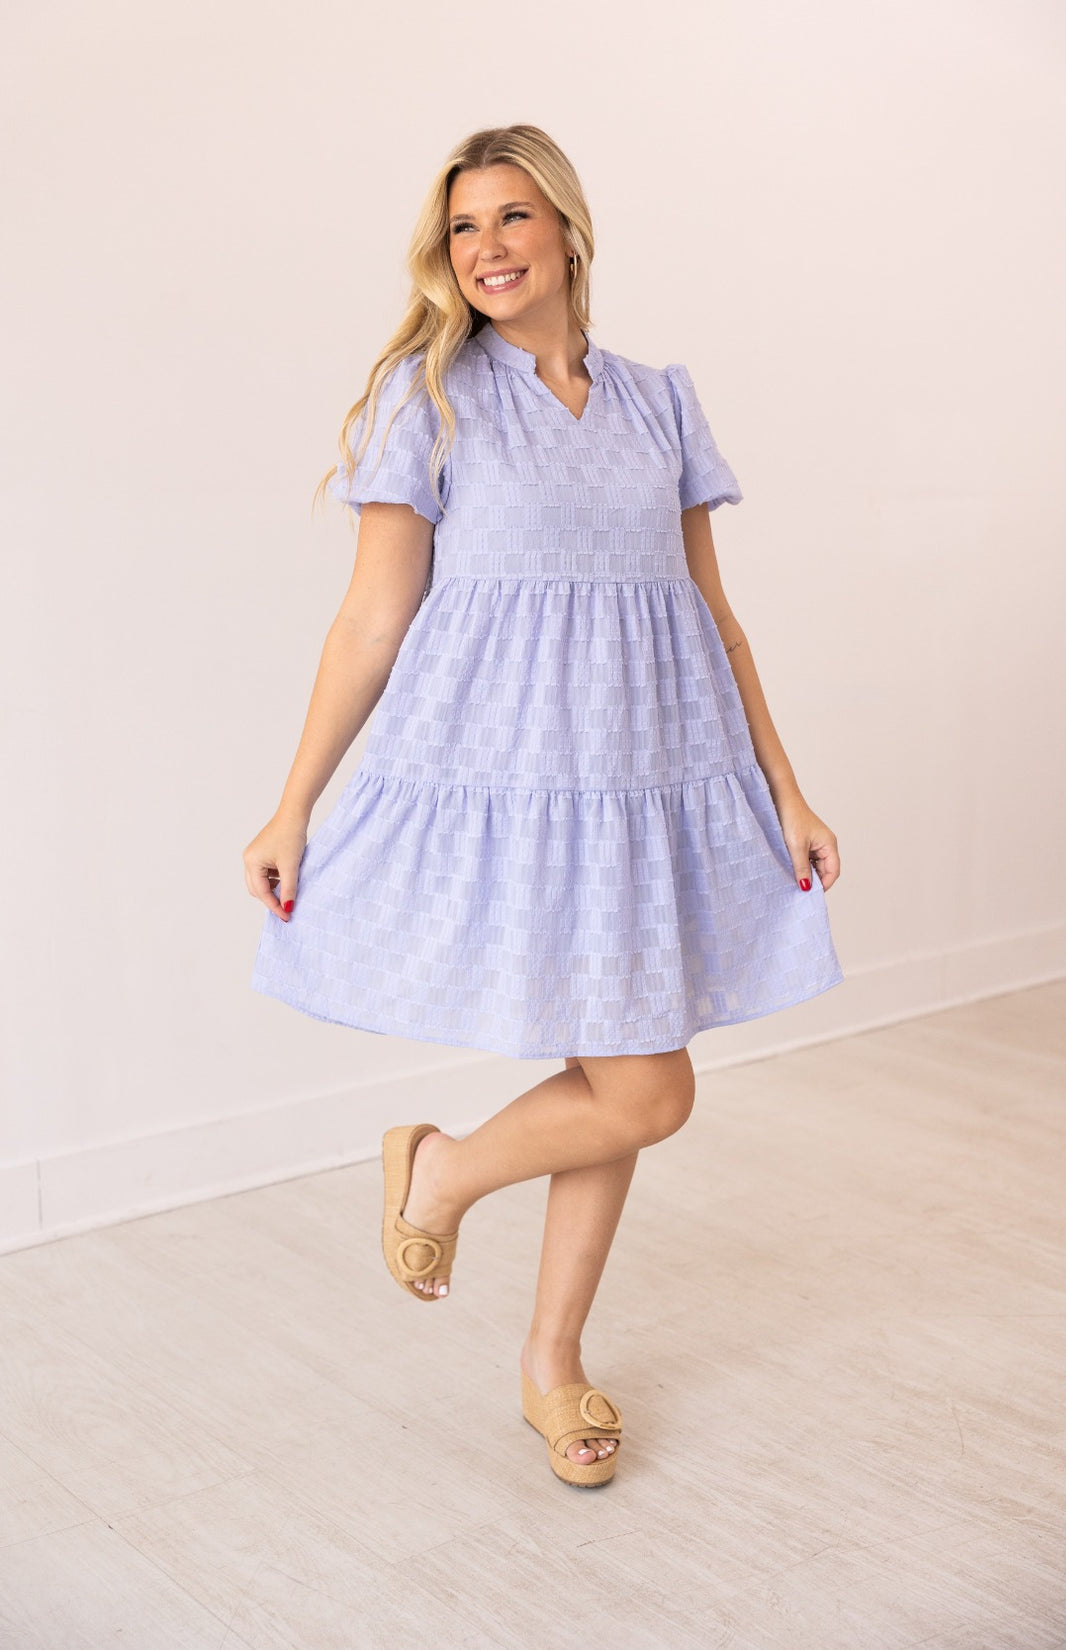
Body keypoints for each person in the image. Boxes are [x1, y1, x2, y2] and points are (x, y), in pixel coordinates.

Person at [243, 123, 844, 1487]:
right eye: (463, 227)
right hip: (517, 784)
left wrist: (787, 788)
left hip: (649, 783)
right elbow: (370, 622)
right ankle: (443, 1178)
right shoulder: (432, 399)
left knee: (624, 1077)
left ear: (568, 231)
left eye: (512, 217)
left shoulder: (659, 401)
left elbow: (712, 613)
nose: (488, 247)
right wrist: (292, 806)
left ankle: (545, 1354)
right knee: (643, 1085)